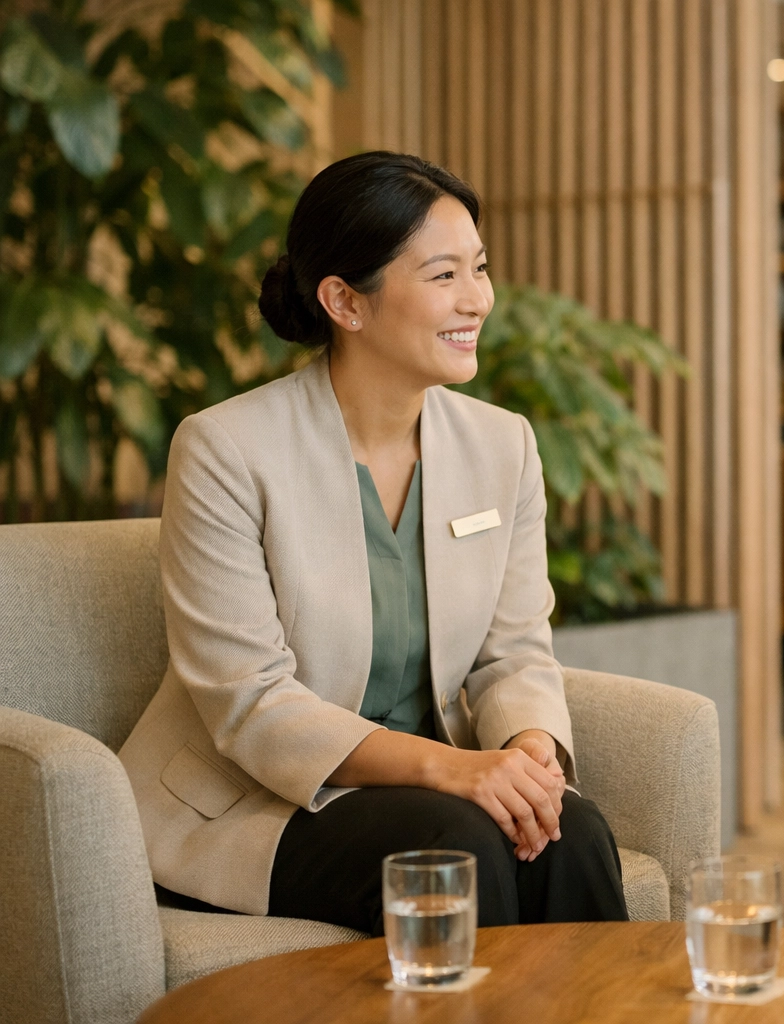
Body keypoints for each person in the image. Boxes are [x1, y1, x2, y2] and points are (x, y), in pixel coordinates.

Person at [118, 151, 627, 935]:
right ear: (344, 302)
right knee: (456, 845)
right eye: (442, 276)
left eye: (480, 269)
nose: (477, 300)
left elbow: (513, 652)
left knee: (574, 834)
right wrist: (458, 770)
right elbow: (250, 700)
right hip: (259, 800)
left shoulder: (504, 446)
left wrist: (526, 756)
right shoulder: (226, 449)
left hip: (427, 789)